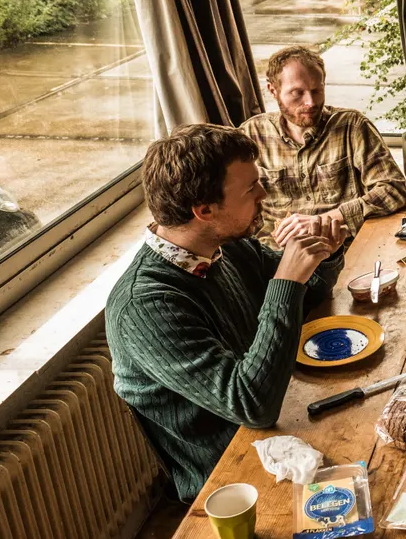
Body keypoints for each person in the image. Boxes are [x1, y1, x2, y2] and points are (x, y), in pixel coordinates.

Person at [106, 124, 346, 502]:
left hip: (289, 420)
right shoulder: (145, 306)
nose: (264, 194)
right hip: (235, 480)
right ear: (204, 210)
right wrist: (287, 279)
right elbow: (251, 405)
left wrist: (324, 252)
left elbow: (309, 294)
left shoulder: (223, 246)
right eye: (251, 188)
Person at [240, 45, 406, 249]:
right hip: (276, 255)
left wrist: (323, 220)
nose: (310, 102)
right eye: (297, 93)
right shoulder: (251, 135)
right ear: (272, 90)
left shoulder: (353, 126)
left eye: (316, 90)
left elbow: (393, 190)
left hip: (343, 250)